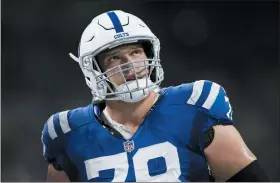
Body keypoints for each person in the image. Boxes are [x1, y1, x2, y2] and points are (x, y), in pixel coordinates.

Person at [41, 10, 270, 182]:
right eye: (114, 58)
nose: (130, 65)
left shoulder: (194, 107)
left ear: (150, 54)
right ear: (93, 70)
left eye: (136, 52)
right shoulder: (67, 133)